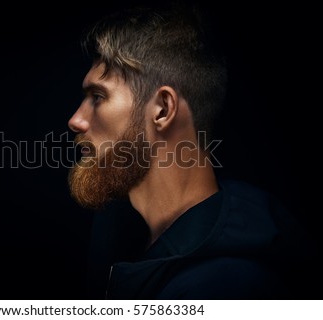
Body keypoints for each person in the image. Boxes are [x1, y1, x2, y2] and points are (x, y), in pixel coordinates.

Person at [67, 2, 317, 299]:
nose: (76, 120)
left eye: (98, 97)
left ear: (162, 109)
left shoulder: (230, 288)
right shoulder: (119, 234)